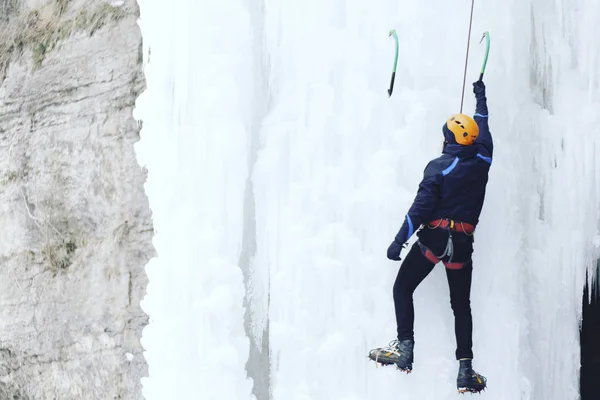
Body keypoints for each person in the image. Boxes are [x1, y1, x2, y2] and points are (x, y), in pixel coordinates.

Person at [368, 80, 492, 394]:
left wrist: (399, 241)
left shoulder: (438, 168)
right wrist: (481, 97)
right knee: (461, 305)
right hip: (462, 246)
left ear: (448, 139)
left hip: (435, 240)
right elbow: (483, 126)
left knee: (402, 287)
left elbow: (419, 209)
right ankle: (466, 371)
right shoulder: (483, 161)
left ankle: (405, 349)